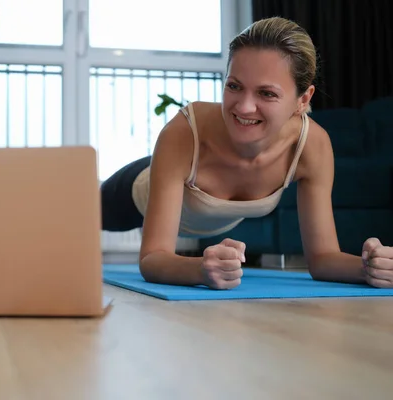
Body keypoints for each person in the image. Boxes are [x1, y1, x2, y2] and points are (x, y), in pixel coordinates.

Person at [100, 17, 393, 290]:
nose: (243, 107)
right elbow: (152, 258)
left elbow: (323, 257)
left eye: (266, 93)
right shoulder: (184, 132)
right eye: (234, 86)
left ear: (303, 99)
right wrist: (200, 270)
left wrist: (368, 268)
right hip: (135, 191)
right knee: (73, 212)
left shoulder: (311, 146)